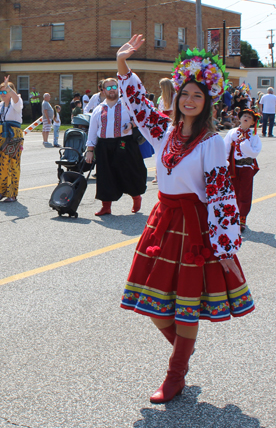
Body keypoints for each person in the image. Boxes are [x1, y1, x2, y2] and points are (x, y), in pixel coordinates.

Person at [117, 35, 254, 404]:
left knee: (185, 303)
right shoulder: (164, 131)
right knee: (153, 300)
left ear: (206, 102)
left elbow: (221, 194)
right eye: (184, 94)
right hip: (162, 219)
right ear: (176, 97)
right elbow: (139, 106)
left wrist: (224, 245)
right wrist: (122, 64)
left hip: (193, 225)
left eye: (197, 96)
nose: (189, 100)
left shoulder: (212, 142)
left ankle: (175, 374)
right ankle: (184, 352)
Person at [85, 78, 146, 216]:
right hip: (104, 145)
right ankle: (106, 206)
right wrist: (90, 150)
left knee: (129, 173)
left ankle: (136, 197)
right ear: (103, 90)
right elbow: (93, 131)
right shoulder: (98, 109)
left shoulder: (127, 104)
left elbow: (141, 118)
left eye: (114, 86)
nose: (112, 89)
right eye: (108, 87)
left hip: (125, 143)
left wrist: (131, 125)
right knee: (105, 175)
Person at [224, 109, 262, 232]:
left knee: (245, 193)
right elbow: (225, 148)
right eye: (244, 115)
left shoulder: (254, 136)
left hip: (246, 167)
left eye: (249, 117)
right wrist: (224, 163)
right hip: (233, 167)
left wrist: (243, 144)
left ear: (252, 122)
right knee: (232, 191)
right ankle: (231, 216)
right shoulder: (232, 132)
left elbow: (254, 153)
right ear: (239, 119)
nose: (246, 117)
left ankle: (242, 218)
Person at [0, 75, 24, 202]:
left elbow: (16, 99)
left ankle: (12, 193)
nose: (3, 93)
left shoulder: (16, 102)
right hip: (0, 134)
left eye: (6, 91)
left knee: (12, 164)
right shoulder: (0, 105)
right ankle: (1, 191)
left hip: (13, 135)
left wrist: (8, 87)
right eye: (1, 91)